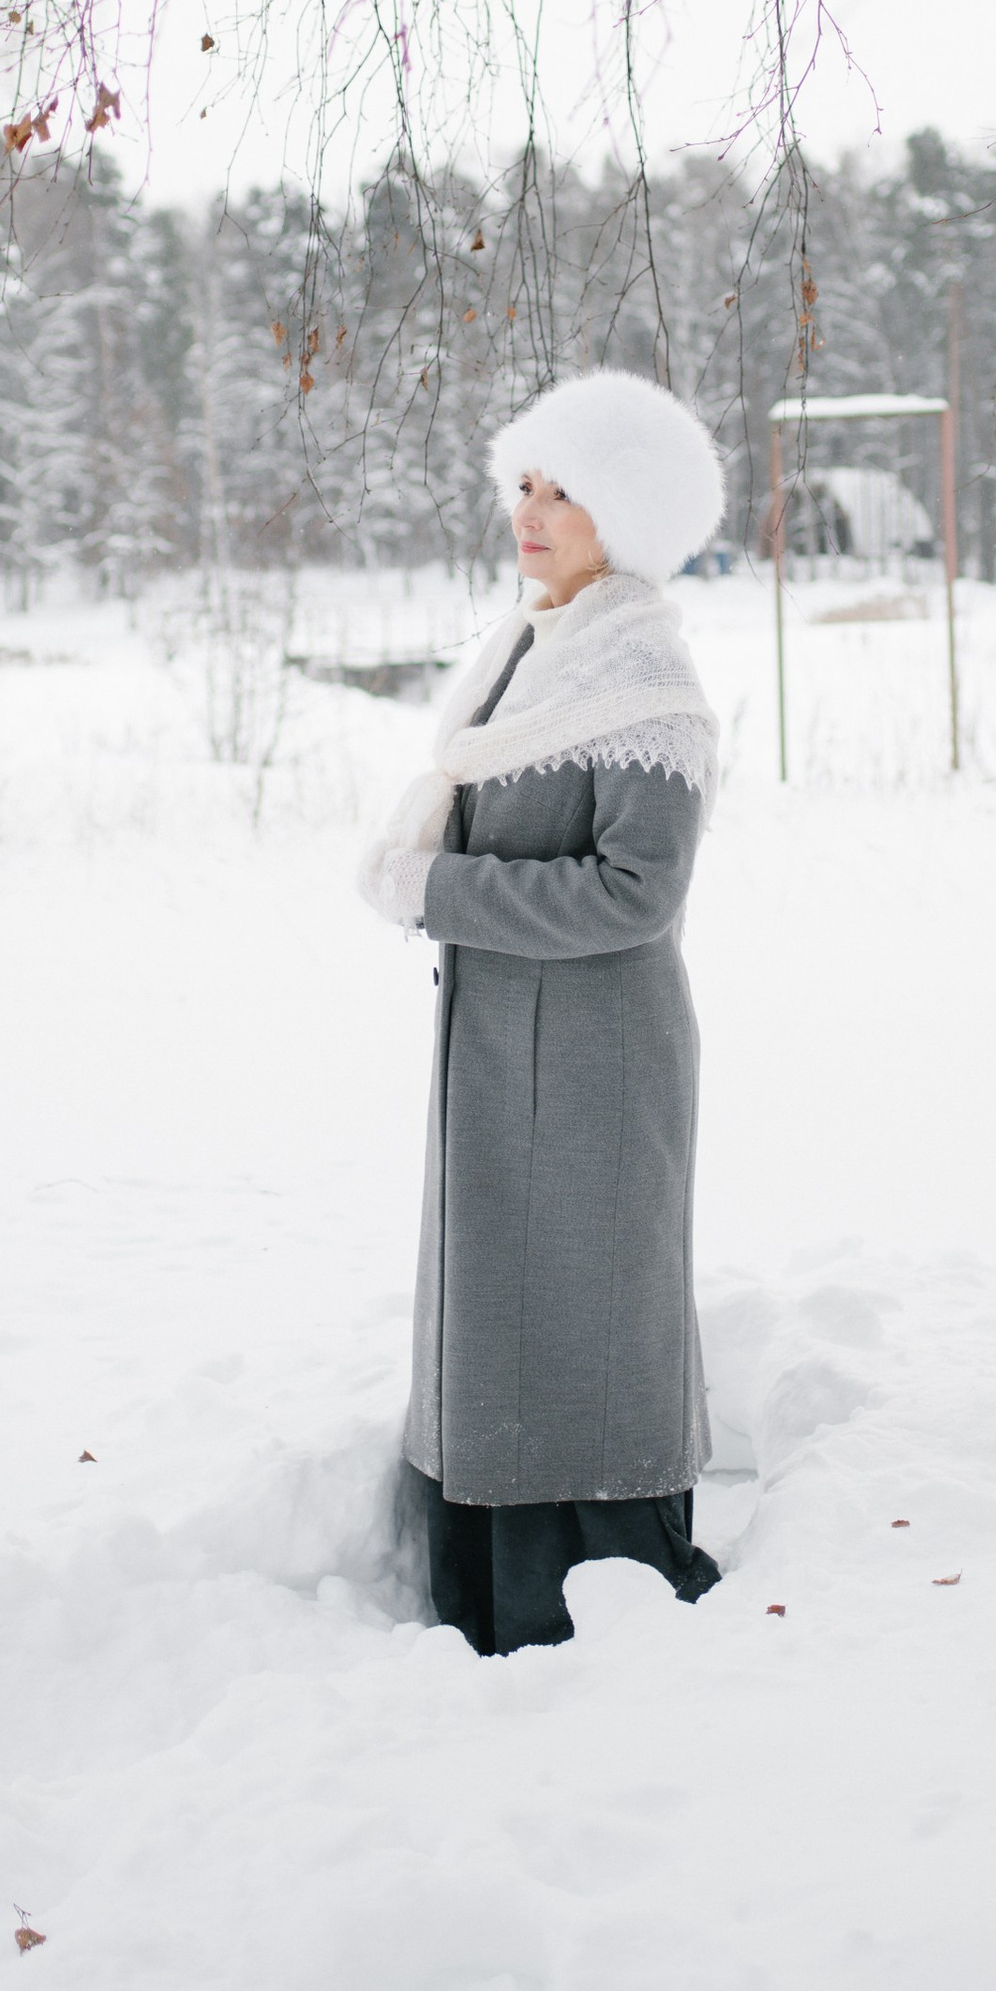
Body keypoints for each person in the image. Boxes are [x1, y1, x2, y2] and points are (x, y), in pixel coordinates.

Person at [358, 371, 728, 1655]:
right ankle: (484, 1587)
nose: (530, 511)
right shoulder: (532, 648)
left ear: (625, 518)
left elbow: (636, 892)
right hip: (502, 1046)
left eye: (565, 491)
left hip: (591, 1063)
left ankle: (588, 1598)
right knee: (503, 1313)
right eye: (523, 482)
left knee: (583, 1320)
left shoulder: (644, 676)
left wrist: (436, 888)